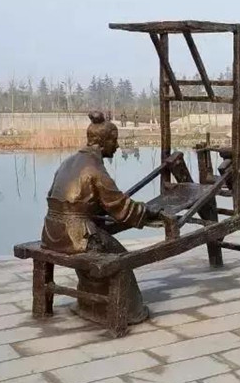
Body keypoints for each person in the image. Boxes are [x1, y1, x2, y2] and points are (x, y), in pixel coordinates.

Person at [41, 111, 161, 324]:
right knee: (120, 259)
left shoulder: (68, 162)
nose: (117, 146)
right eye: (114, 141)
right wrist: (147, 211)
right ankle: (128, 313)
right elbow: (121, 207)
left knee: (101, 245)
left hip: (51, 233)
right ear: (103, 142)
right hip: (76, 236)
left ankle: (89, 304)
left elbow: (63, 199)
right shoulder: (95, 169)